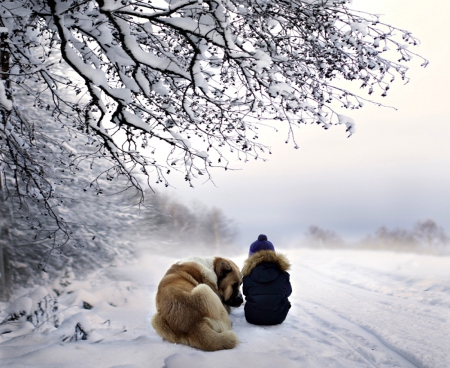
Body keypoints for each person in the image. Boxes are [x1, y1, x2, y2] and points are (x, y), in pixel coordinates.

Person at [241, 234, 292, 325]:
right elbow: (288, 292)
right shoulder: (283, 275)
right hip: (278, 318)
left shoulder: (247, 276)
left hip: (252, 317)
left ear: (251, 256)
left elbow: (246, 293)